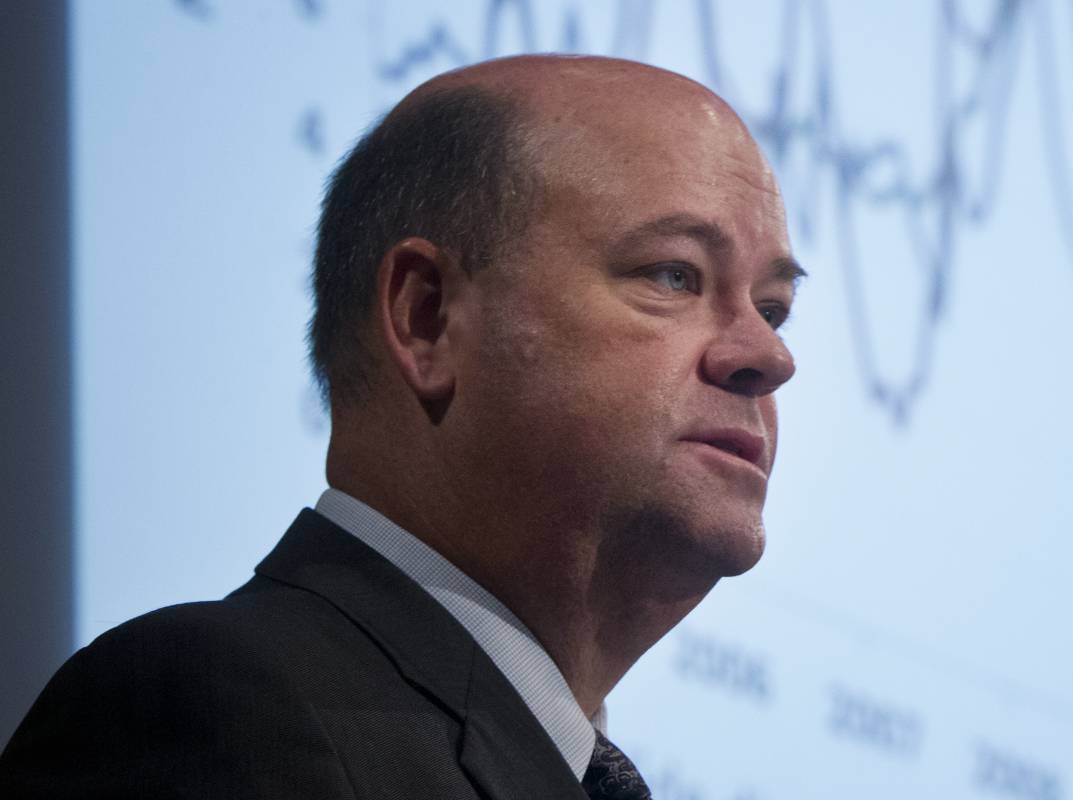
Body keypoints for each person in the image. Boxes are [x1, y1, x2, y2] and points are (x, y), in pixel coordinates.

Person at [0, 54, 801, 799]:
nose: (767, 354)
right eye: (674, 275)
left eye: (773, 309)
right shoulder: (210, 716)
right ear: (426, 319)